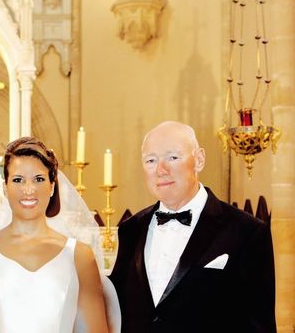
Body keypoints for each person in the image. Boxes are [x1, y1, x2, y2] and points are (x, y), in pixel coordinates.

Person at [109, 121, 276, 332]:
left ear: (199, 160)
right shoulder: (129, 230)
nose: (161, 170)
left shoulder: (247, 232)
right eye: (151, 160)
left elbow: (259, 326)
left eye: (173, 157)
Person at [0, 137, 110, 333]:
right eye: (18, 180)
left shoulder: (80, 256)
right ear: (5, 187)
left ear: (52, 186)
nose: (28, 189)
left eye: (38, 179)